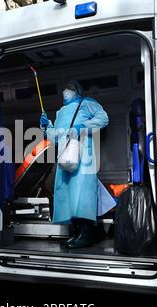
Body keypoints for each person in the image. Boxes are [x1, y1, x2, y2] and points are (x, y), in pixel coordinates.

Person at [40, 80, 109, 249]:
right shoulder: (60, 112)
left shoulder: (87, 103)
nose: (66, 91)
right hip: (65, 158)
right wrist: (46, 126)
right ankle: (79, 232)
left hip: (84, 157)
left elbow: (103, 119)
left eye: (70, 88)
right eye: (65, 88)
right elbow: (55, 137)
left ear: (77, 90)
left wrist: (82, 127)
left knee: (82, 194)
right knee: (67, 196)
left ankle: (86, 234)